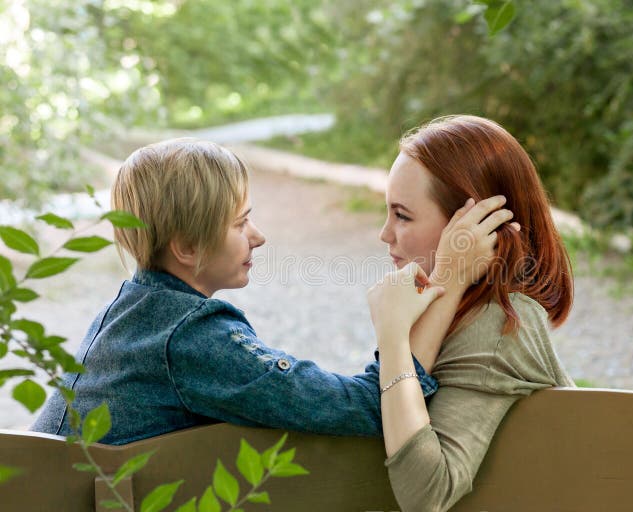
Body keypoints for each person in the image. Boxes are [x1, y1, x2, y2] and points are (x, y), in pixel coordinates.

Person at [31, 138, 514, 445]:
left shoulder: (132, 310)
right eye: (241, 223)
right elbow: (366, 409)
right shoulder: (193, 338)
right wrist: (450, 278)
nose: (258, 236)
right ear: (185, 246)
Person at [368, 115, 575, 511]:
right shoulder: (462, 311)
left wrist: (392, 338)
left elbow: (428, 493)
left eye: (403, 215)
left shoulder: (494, 327)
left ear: (472, 228)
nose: (385, 234)